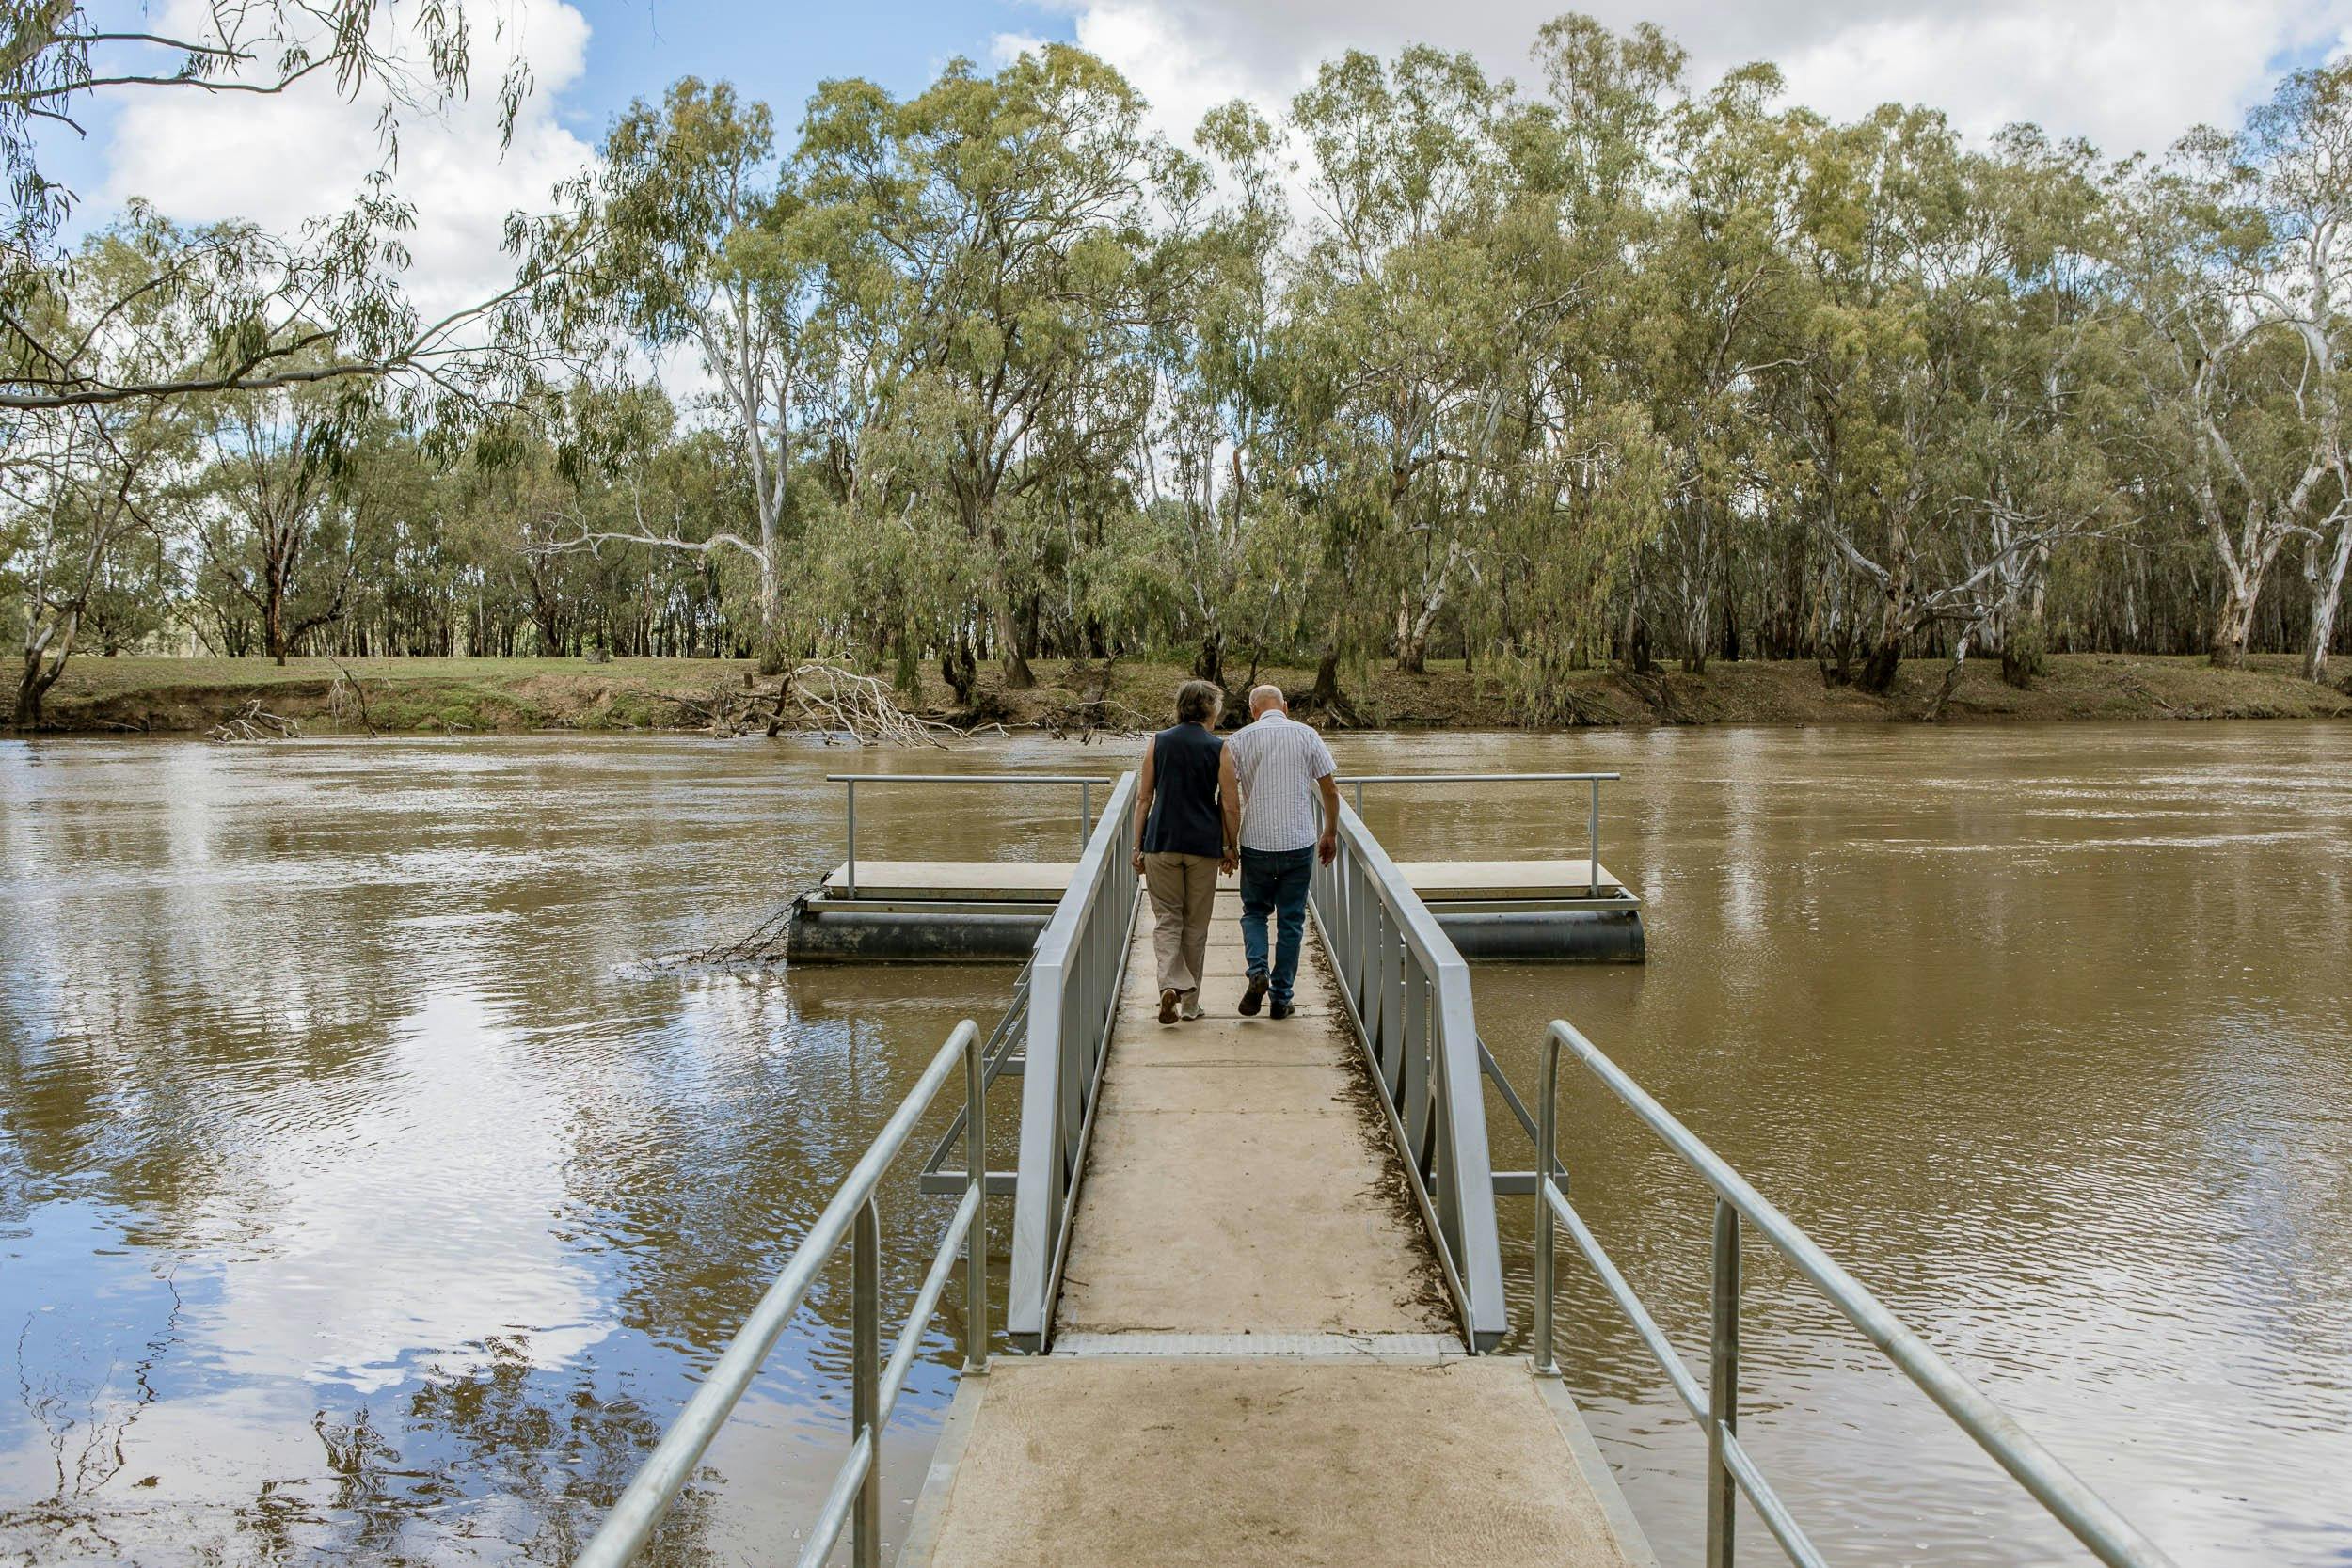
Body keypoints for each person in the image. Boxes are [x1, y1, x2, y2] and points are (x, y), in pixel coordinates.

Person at [1218, 684, 1339, 1020]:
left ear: (1253, 711)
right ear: (1285, 706)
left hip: (1256, 843)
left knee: (1254, 913)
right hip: (1298, 842)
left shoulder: (1238, 741)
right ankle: (1281, 998)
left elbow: (1229, 803)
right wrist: (1329, 832)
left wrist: (1230, 846)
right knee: (1291, 921)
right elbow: (1329, 789)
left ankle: (1258, 971)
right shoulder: (1307, 735)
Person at [1131, 679, 1231, 1023]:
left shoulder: (1157, 742)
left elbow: (1144, 798)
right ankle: (1190, 1005)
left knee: (1168, 920)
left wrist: (1137, 845)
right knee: (1196, 925)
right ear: (1209, 708)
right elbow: (1229, 804)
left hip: (1161, 841)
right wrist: (1230, 846)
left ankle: (1168, 987)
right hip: (1203, 844)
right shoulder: (1219, 747)